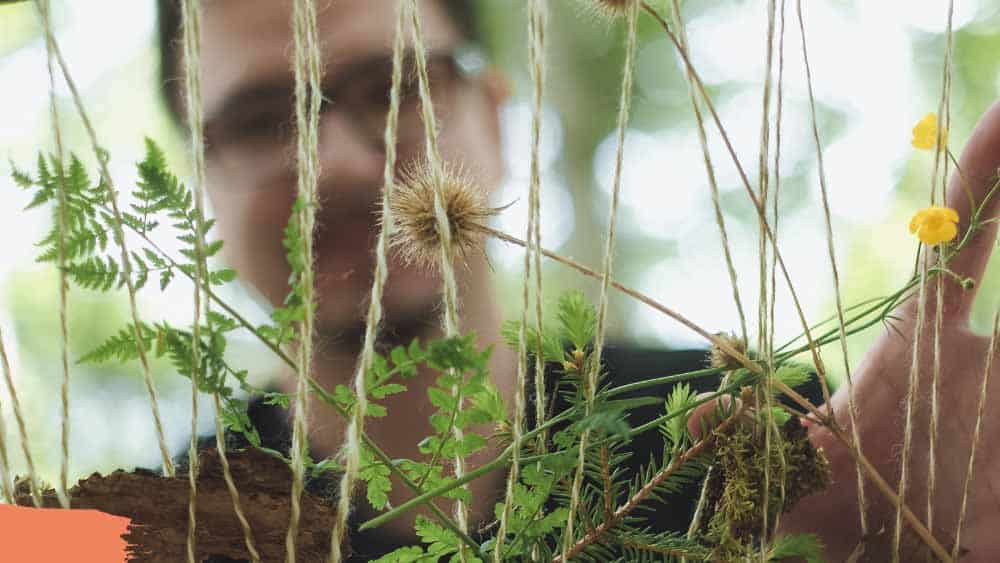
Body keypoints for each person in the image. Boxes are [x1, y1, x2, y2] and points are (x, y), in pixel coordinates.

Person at [157, 0, 1000, 560]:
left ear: (494, 109)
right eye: (264, 120)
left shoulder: (779, 443)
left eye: (390, 88)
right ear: (202, 180)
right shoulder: (149, 531)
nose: (332, 159)